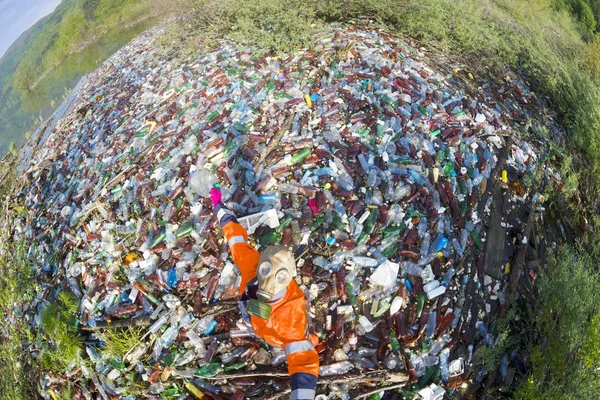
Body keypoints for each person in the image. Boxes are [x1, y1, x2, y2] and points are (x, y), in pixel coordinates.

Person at [209, 185, 319, 400]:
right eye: (266, 271)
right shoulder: (251, 266)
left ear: (289, 277)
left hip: (276, 335)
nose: (268, 281)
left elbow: (303, 362)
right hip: (257, 319)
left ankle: (313, 340)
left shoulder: (290, 319)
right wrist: (219, 208)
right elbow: (236, 239)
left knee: (302, 342)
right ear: (261, 263)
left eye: (278, 277)